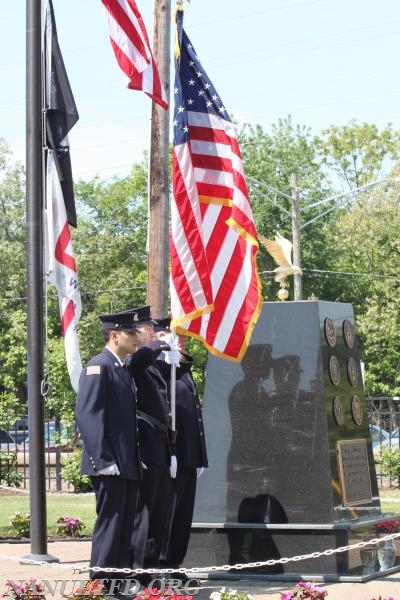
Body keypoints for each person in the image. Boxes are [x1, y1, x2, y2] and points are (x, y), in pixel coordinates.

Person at [75, 308, 145, 589]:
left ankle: (116, 581)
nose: (137, 337)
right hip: (108, 463)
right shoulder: (99, 366)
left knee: (124, 525)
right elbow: (88, 415)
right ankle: (100, 583)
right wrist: (103, 459)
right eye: (131, 333)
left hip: (124, 463)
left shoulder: (121, 368)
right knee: (111, 524)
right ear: (114, 335)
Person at [127, 308, 179, 577]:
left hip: (160, 444)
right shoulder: (134, 360)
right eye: (148, 330)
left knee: (160, 509)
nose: (151, 333)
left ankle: (154, 564)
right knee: (144, 511)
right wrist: (160, 344)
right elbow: (138, 362)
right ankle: (138, 568)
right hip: (145, 443)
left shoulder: (153, 365)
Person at [160, 331, 208, 578]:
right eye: (176, 336)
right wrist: (171, 452)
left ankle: (174, 563)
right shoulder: (161, 371)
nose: (183, 340)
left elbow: (193, 415)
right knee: (168, 512)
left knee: (182, 515)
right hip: (172, 455)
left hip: (189, 455)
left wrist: (200, 455)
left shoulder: (182, 368)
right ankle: (162, 563)